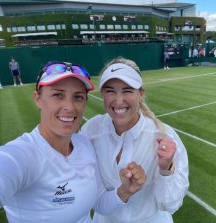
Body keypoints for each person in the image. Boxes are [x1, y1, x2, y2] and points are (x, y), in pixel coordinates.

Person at [0, 61, 146, 222]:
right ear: (38, 99)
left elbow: (99, 204)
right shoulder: (20, 156)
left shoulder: (84, 145)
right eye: (58, 95)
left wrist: (125, 190)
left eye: (78, 97)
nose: (69, 107)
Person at [81, 57, 189, 223]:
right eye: (110, 91)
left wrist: (166, 169)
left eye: (127, 90)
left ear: (141, 93)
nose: (118, 101)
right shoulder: (91, 130)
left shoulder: (165, 136)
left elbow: (170, 204)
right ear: (102, 93)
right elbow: (92, 195)